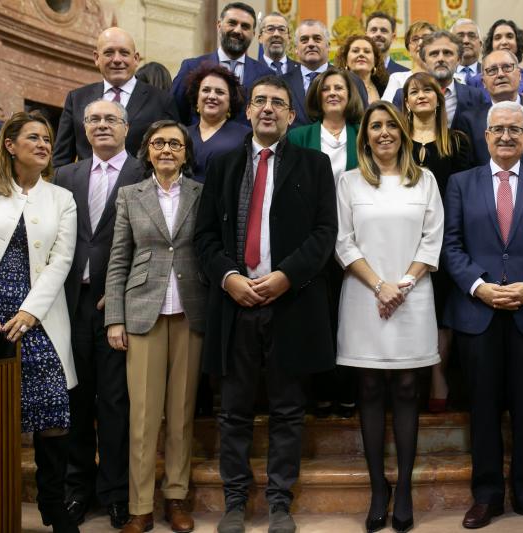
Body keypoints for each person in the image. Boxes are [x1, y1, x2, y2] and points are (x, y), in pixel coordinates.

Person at [194, 75, 337, 533]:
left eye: (279, 102)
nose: (269, 109)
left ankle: (279, 502)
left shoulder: (314, 166)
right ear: (248, 112)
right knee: (232, 409)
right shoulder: (222, 165)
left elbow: (324, 233)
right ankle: (234, 501)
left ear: (292, 116)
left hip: (290, 303)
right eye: (260, 102)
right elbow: (204, 237)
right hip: (235, 303)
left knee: (288, 409)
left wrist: (286, 276)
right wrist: (229, 277)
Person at [442, 100, 523, 530]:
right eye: (498, 129)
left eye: (515, 130)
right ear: (486, 135)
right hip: (478, 313)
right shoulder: (460, 183)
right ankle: (487, 495)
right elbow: (451, 245)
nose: (506, 136)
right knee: (483, 408)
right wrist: (479, 286)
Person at [335, 100, 444, 533]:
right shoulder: (349, 182)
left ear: (403, 132)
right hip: (364, 295)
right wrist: (380, 285)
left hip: (413, 296)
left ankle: (404, 491)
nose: (383, 133)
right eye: (375, 126)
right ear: (365, 137)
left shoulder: (426, 181)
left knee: (405, 386)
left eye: (390, 126)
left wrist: (402, 285)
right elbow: (343, 243)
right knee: (369, 386)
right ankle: (378, 487)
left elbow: (432, 241)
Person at [105, 120, 206, 533]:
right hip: (142, 312)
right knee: (144, 416)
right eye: (159, 143)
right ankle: (140, 505)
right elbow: (118, 259)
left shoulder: (201, 194)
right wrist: (115, 316)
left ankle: (177, 499)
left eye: (175, 144)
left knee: (181, 414)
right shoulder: (131, 195)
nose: (167, 150)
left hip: (190, 312)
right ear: (147, 150)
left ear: (185, 152)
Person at [0, 112, 79, 532]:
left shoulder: (61, 198)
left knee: (53, 414)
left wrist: (31, 310)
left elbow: (62, 260)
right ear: (10, 144)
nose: (42, 144)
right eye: (33, 137)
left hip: (39, 317)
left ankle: (53, 506)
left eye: (47, 138)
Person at [53, 99, 141, 529]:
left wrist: (122, 293)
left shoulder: (143, 172)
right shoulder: (65, 175)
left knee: (115, 402)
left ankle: (115, 492)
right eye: (93, 119)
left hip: (119, 306)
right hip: (70, 304)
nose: (101, 125)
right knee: (76, 397)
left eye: (110, 119)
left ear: (126, 126)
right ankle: (77, 489)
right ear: (83, 128)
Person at [286, 66, 363, 419]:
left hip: (354, 237)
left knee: (349, 317)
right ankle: (319, 393)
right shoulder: (301, 136)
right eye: (327, 88)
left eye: (340, 88)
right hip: (311, 239)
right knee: (315, 318)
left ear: (350, 97)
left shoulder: (361, 135)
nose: (333, 93)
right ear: (317, 95)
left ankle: (348, 391)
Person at [403, 72, 472, 413]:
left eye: (427, 90)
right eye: (414, 91)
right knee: (413, 306)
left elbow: (467, 194)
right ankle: (410, 379)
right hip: (403, 238)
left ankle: (438, 377)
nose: (421, 96)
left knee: (442, 309)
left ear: (439, 97)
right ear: (406, 101)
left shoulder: (457, 141)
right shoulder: (398, 142)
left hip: (447, 237)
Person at [54, 27, 178, 166]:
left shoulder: (162, 100)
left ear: (136, 59)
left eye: (124, 53)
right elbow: (61, 160)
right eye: (109, 53)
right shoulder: (77, 99)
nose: (117, 59)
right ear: (96, 58)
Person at [453, 49, 523, 170]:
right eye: (492, 70)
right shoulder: (469, 120)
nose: (500, 74)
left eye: (507, 67)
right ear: (483, 82)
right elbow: (465, 169)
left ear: (520, 75)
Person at [171, 2, 274, 125]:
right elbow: (175, 113)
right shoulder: (191, 67)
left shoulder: (266, 74)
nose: (237, 30)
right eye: (232, 23)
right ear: (219, 25)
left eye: (245, 26)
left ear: (253, 34)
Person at [282, 19, 368, 128]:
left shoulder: (352, 81)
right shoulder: (282, 84)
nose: (311, 44)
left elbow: (363, 122)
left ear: (328, 46)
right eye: (304, 40)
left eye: (317, 39)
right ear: (295, 49)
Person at [391, 31, 487, 127]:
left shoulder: (476, 97)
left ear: (458, 60)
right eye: (434, 54)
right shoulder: (403, 96)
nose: (441, 58)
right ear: (424, 61)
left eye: (447, 53)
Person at [185, 64, 250, 183]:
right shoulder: (182, 134)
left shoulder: (246, 137)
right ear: (197, 97)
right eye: (206, 90)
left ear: (231, 100)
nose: (212, 96)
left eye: (220, 92)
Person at [468, 19, 523, 100]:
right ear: (491, 44)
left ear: (517, 43)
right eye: (498, 37)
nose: (504, 42)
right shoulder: (475, 82)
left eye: (509, 36)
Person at [381, 21, 436, 102]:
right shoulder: (397, 79)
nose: (420, 43)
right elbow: (385, 109)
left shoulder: (447, 78)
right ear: (409, 50)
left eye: (426, 38)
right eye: (415, 39)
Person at [334, 35, 388, 103]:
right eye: (355, 51)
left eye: (367, 51)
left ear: (375, 61)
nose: (361, 54)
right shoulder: (336, 86)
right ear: (345, 60)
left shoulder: (385, 87)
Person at [451, 18, 483, 83]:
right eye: (460, 36)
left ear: (480, 44)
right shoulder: (444, 75)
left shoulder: (488, 73)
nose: (466, 41)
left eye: (472, 36)